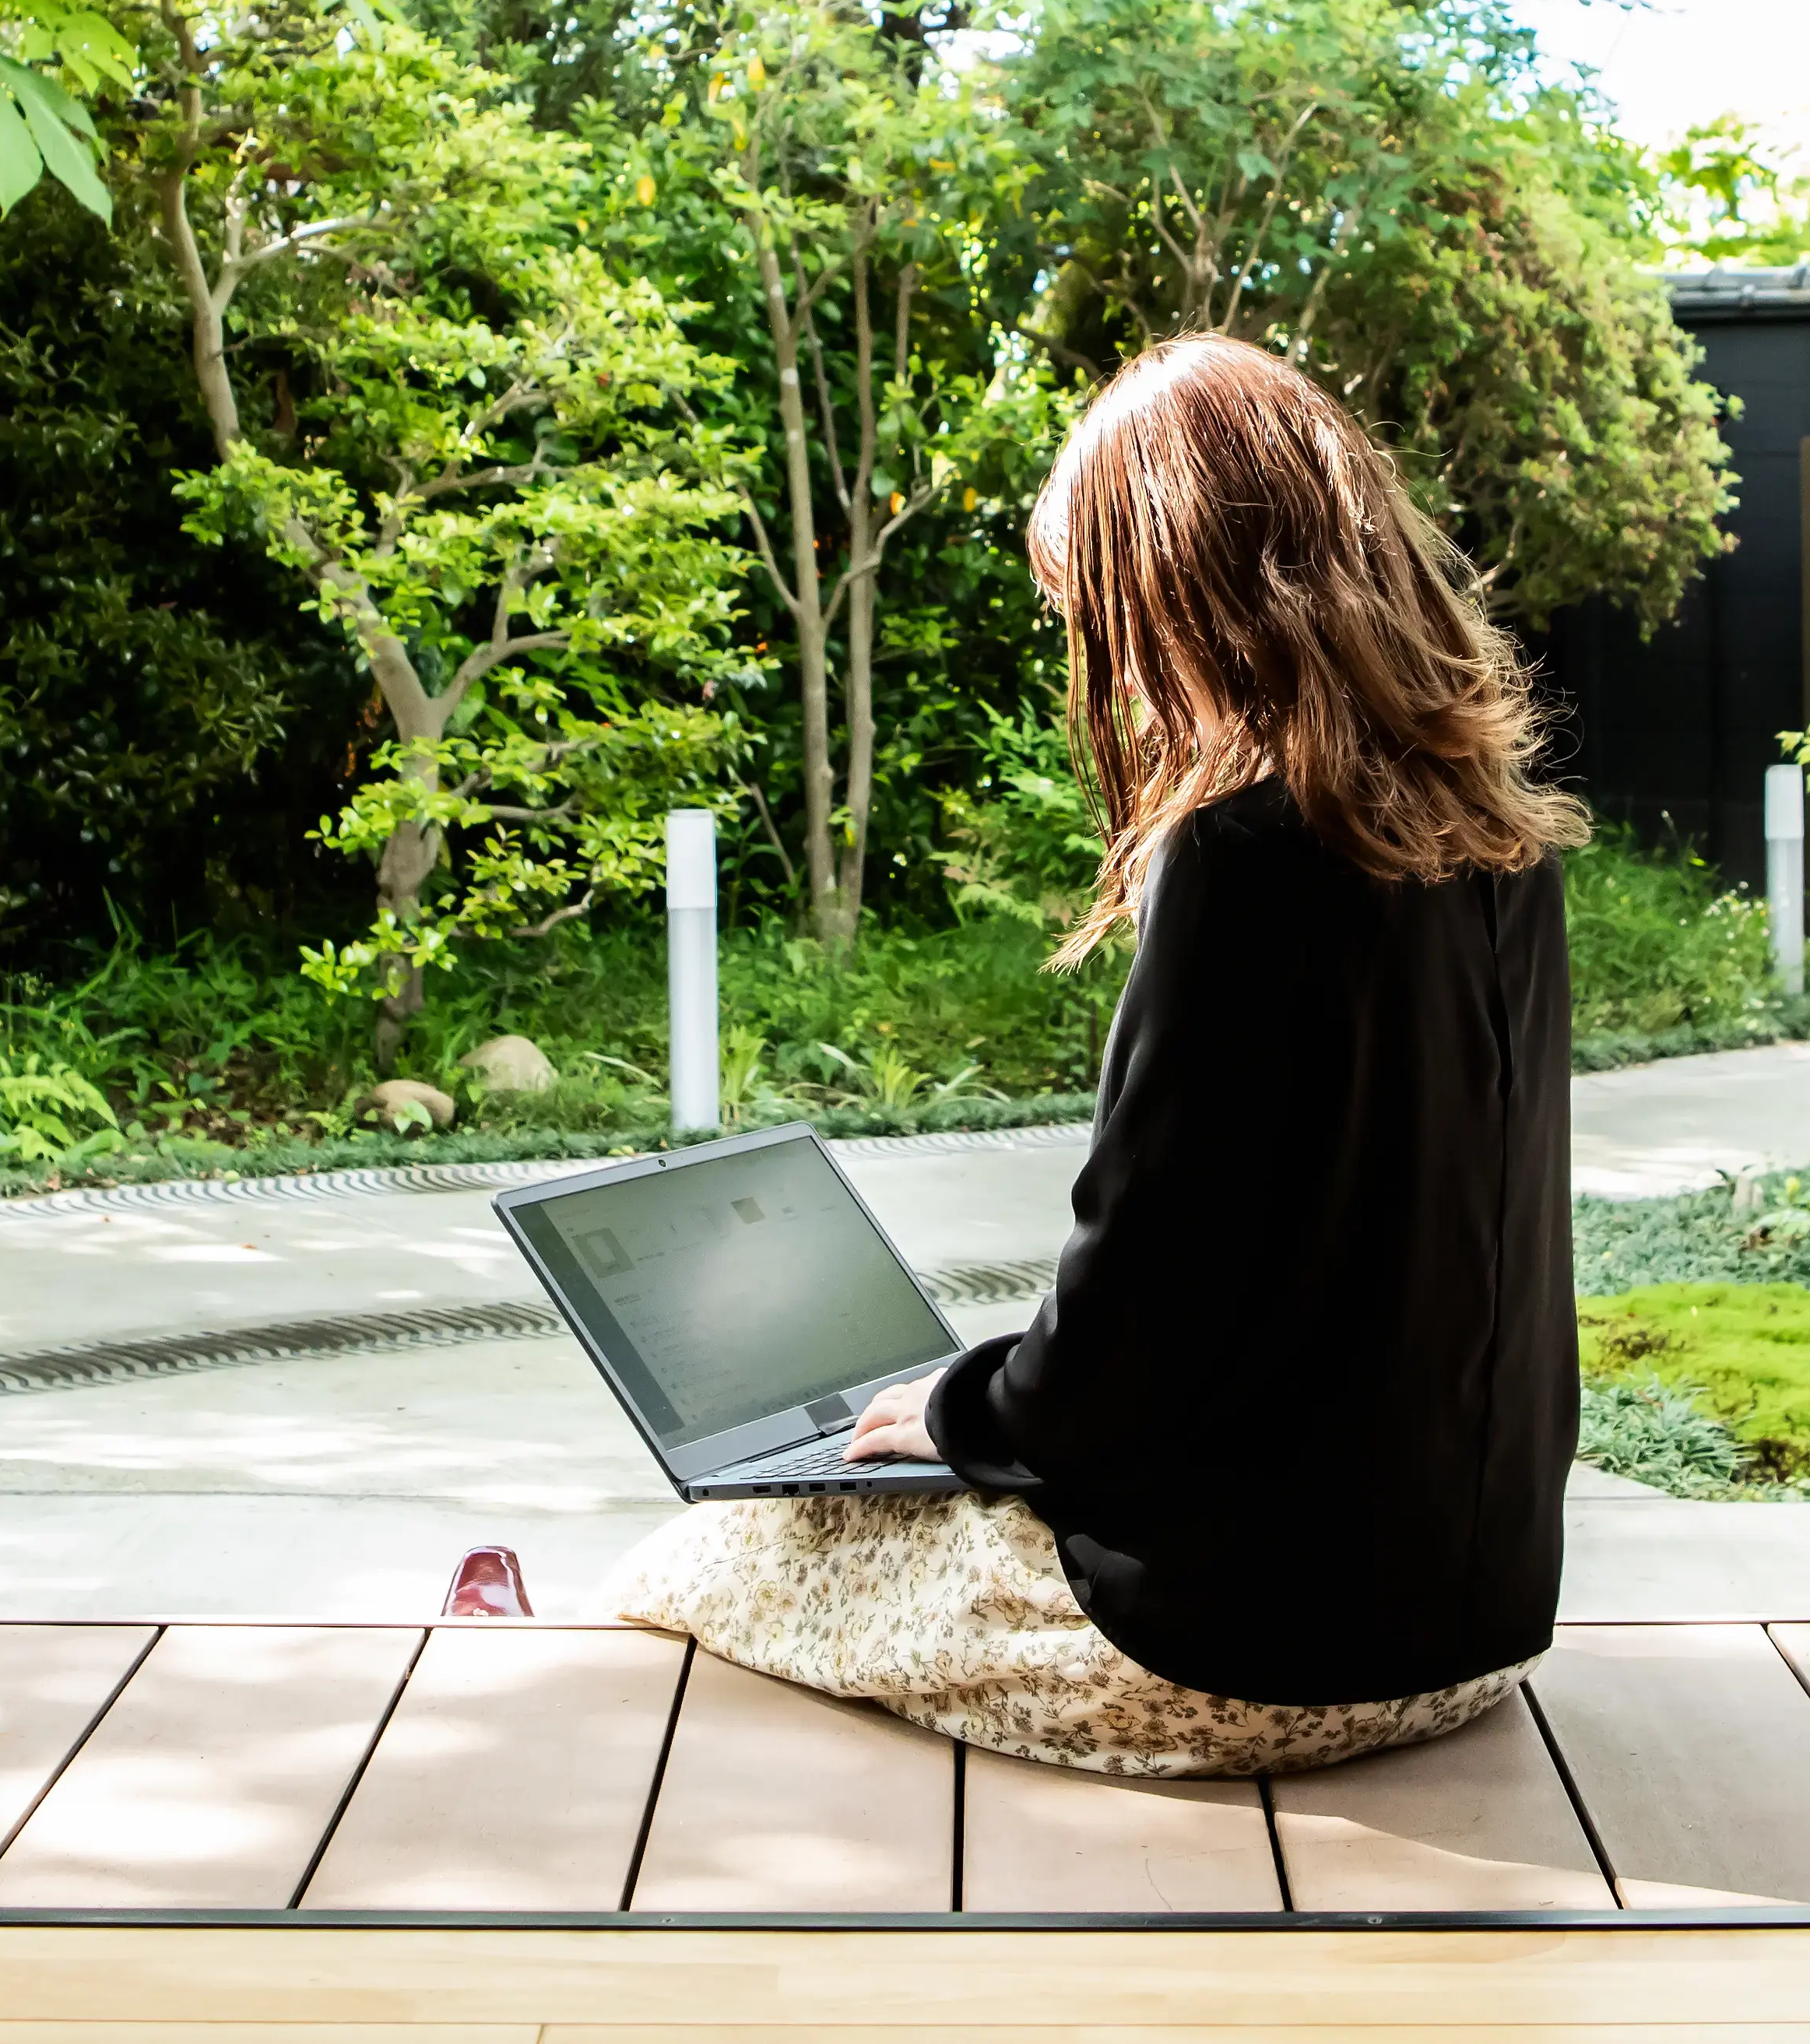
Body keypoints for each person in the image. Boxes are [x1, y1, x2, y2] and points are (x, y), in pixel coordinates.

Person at [606, 333, 1584, 1779]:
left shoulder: (1244, 855)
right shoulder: (1499, 848)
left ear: (1190, 590)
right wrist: (999, 1397)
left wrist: (960, 1406)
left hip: (1252, 1656)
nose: (1116, 670)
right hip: (1475, 1633)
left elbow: (1143, 1307)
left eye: (1106, 618)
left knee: (706, 1558)